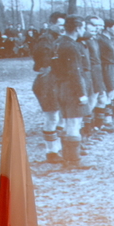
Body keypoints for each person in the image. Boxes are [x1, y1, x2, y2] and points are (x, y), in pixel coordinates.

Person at [52, 14, 91, 169]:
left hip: (60, 86)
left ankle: (67, 159)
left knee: (67, 122)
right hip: (71, 88)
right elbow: (75, 72)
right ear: (77, 28)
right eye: (82, 28)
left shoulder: (58, 43)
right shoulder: (72, 47)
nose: (83, 31)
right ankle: (74, 161)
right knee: (74, 123)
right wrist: (81, 93)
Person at [32, 11, 66, 162]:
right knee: (51, 116)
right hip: (47, 81)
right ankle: (51, 152)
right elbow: (43, 61)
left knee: (59, 115)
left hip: (56, 80)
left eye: (64, 25)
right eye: (60, 25)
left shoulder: (58, 38)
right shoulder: (45, 40)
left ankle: (57, 148)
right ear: (52, 24)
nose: (62, 28)